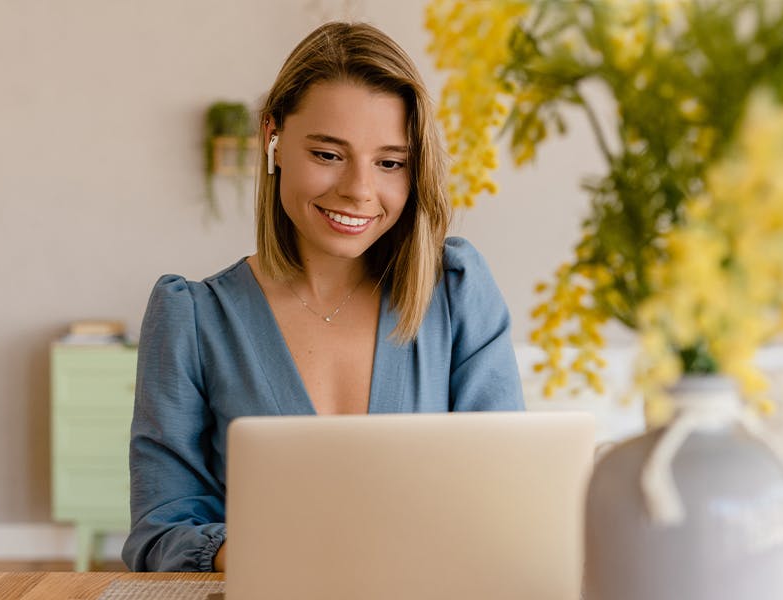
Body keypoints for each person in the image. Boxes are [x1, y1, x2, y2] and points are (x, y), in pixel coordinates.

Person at [122, 21, 524, 573]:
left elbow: (506, 493)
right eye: (329, 154)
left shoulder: (455, 292)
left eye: (390, 163)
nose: (359, 189)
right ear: (273, 138)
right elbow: (160, 528)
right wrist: (256, 555)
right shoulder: (191, 318)